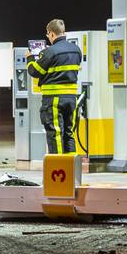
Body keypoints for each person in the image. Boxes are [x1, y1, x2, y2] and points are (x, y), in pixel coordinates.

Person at [27, 19, 80, 155]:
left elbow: (35, 71)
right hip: (72, 99)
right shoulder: (76, 50)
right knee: (69, 133)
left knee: (55, 133)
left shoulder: (50, 52)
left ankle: (59, 168)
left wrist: (30, 59)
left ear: (51, 34)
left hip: (54, 100)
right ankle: (71, 170)